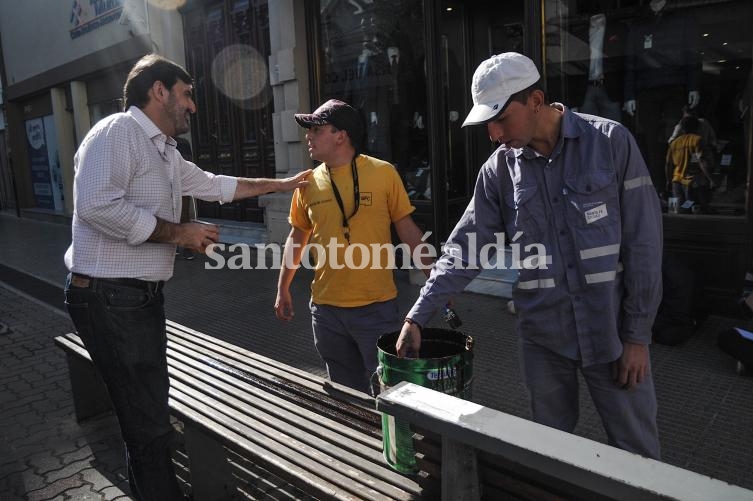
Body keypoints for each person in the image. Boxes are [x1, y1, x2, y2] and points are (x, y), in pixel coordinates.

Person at [63, 53, 310, 500]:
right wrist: (181, 233)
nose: (193, 106)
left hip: (135, 299)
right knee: (148, 424)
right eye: (187, 94)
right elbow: (96, 207)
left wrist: (282, 184)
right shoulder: (118, 133)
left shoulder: (163, 149)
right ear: (159, 92)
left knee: (149, 416)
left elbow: (215, 184)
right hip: (108, 297)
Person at [396, 52, 663, 459]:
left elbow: (645, 244)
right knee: (550, 451)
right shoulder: (498, 171)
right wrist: (418, 314)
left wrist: (638, 336)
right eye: (488, 122)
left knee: (638, 453)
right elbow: (464, 249)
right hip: (544, 338)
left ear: (536, 100)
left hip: (612, 333)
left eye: (501, 119)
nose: (493, 132)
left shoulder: (610, 143)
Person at [274, 99, 431, 394]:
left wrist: (435, 281)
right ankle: (355, 438)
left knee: (390, 391)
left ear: (341, 136)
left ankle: (391, 441)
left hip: (376, 308)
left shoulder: (383, 173)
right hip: (326, 311)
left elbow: (408, 231)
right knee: (346, 394)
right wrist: (283, 289)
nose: (308, 135)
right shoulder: (306, 183)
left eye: (316, 129)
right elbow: (297, 238)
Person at [665, 115, 715, 212]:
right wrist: (710, 179)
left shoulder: (674, 143)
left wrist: (668, 180)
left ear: (682, 128)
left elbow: (668, 165)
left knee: (677, 210)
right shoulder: (697, 140)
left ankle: (679, 220)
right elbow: (701, 161)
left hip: (676, 181)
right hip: (691, 181)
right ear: (697, 127)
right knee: (693, 206)